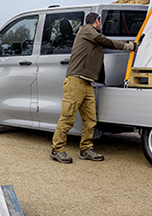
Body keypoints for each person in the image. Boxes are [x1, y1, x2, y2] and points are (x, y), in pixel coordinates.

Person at [50, 12, 140, 163]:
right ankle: (57, 149)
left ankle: (86, 149)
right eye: (101, 22)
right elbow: (105, 41)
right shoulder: (86, 30)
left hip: (88, 84)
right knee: (67, 118)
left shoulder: (92, 38)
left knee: (90, 119)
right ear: (96, 21)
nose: (102, 25)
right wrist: (129, 46)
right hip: (75, 82)